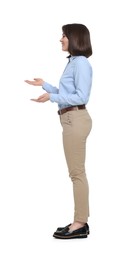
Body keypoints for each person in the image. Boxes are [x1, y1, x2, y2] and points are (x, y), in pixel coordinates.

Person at [25, 23, 93, 239]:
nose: (61, 39)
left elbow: (82, 97)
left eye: (64, 35)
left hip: (76, 119)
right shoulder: (73, 62)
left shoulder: (81, 63)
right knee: (76, 172)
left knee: (77, 173)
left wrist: (52, 97)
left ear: (74, 38)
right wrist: (46, 85)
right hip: (70, 119)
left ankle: (80, 223)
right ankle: (80, 221)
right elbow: (67, 93)